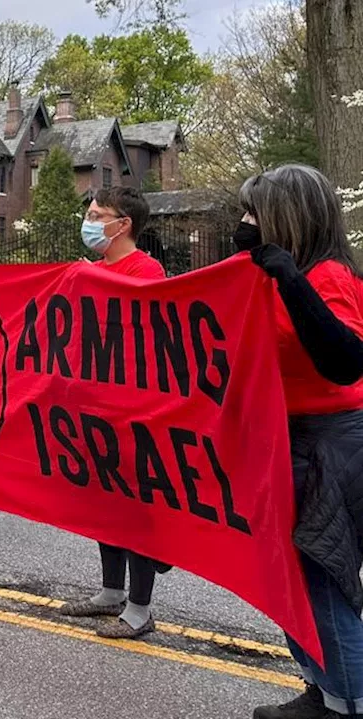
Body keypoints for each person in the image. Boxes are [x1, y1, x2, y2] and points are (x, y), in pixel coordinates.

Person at [239, 165, 363, 719]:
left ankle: (347, 703)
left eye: (254, 214)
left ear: (286, 218)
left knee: (322, 580)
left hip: (327, 444)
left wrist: (292, 281)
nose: (244, 223)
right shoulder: (266, 275)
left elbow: (343, 361)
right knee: (290, 578)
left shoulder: (327, 276)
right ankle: (322, 688)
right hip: (287, 440)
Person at [56, 187, 170, 640]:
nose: (89, 220)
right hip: (92, 405)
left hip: (131, 410)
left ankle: (140, 608)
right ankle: (110, 591)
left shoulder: (147, 270)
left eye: (97, 214)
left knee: (135, 509)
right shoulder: (90, 270)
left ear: (123, 224)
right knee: (103, 501)